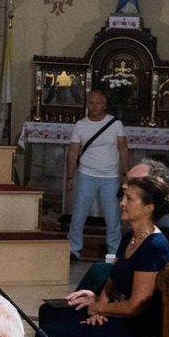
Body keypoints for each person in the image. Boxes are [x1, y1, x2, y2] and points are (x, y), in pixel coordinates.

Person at [26, 174, 169, 337]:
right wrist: (99, 303)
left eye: (130, 198)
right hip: (117, 314)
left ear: (148, 208)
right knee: (49, 316)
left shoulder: (155, 246)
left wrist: (101, 308)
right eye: (124, 197)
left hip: (135, 328)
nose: (122, 203)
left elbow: (138, 305)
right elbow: (113, 280)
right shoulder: (131, 237)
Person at [65, 86, 129, 263]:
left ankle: (114, 253)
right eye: (91, 103)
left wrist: (126, 173)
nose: (94, 106)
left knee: (113, 219)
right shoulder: (81, 125)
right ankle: (74, 250)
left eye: (98, 103)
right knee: (78, 216)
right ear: (87, 105)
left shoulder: (115, 124)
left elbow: (123, 149)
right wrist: (70, 176)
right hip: (86, 175)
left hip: (110, 178)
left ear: (105, 104)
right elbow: (73, 152)